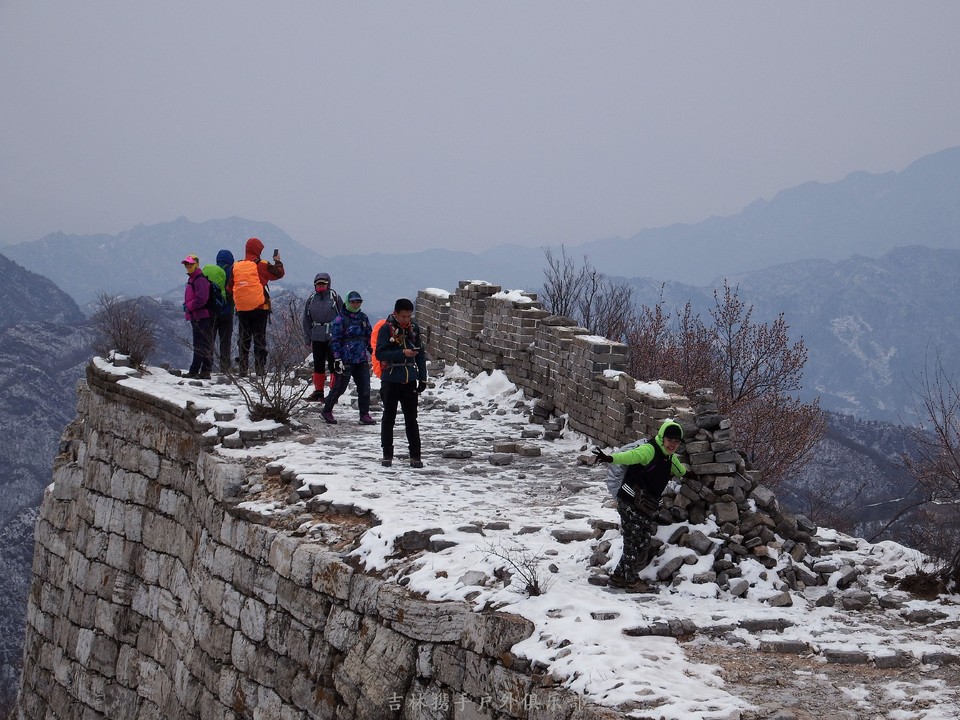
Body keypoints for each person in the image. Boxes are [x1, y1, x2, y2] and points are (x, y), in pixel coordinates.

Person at [593, 420, 688, 592]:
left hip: (644, 506)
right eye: (670, 440)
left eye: (676, 441)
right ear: (662, 437)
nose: (673, 444)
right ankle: (631, 580)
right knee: (633, 540)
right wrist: (610, 458)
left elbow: (680, 470)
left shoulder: (669, 457)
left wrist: (691, 474)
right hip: (629, 501)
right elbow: (631, 456)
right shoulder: (649, 450)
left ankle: (618, 577)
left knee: (641, 540)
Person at [375, 298, 427, 467]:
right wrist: (402, 353)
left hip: (410, 379)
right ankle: (387, 454)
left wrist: (422, 377)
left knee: (412, 418)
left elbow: (420, 354)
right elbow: (380, 354)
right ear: (395, 313)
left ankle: (415, 455)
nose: (406, 320)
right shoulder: (386, 329)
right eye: (403, 316)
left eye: (409, 316)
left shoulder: (415, 329)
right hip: (391, 379)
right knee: (388, 418)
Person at [228, 238, 284, 376]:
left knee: (244, 338)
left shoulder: (237, 266)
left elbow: (229, 287)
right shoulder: (262, 265)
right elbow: (279, 273)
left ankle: (243, 368)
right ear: (258, 250)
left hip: (242, 308)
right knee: (259, 338)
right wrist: (277, 261)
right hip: (260, 307)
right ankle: (260, 369)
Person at [321, 291, 375, 425]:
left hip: (361, 358)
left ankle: (364, 414)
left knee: (365, 388)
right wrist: (337, 358)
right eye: (353, 302)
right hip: (346, 359)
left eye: (358, 302)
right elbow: (335, 340)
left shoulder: (363, 318)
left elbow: (369, 336)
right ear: (347, 302)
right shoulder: (340, 319)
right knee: (340, 388)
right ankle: (327, 411)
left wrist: (373, 351)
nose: (356, 304)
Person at [302, 272, 342, 401]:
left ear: (328, 284)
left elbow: (342, 316)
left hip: (333, 336)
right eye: (318, 284)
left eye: (323, 284)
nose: (320, 286)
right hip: (317, 335)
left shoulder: (334, 297)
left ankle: (333, 393)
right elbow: (306, 319)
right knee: (318, 364)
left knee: (333, 365)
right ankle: (318, 391)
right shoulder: (311, 299)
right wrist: (308, 337)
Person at [181, 254, 214, 379]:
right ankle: (205, 370)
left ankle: (195, 370)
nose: (188, 266)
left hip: (200, 316)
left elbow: (202, 299)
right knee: (203, 343)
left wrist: (189, 306)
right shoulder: (193, 279)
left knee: (199, 344)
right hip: (197, 315)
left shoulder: (199, 279)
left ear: (196, 264)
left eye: (190, 264)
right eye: (186, 264)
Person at [212, 249, 235, 372]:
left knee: (209, 339)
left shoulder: (213, 272)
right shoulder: (232, 271)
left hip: (212, 312)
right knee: (225, 341)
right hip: (227, 311)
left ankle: (206, 366)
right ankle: (225, 367)